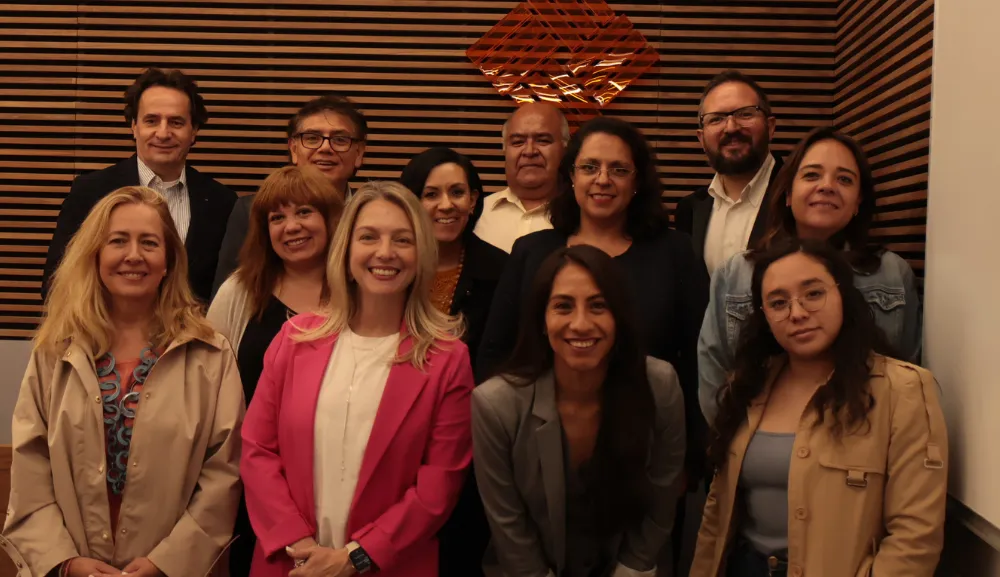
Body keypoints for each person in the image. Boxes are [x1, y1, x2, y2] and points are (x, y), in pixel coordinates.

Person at [3, 186, 244, 577]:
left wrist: (165, 563)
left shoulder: (209, 354)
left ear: (168, 260)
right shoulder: (55, 350)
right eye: (118, 241)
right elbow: (31, 463)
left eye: (149, 242)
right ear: (96, 255)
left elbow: (223, 473)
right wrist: (66, 562)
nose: (134, 255)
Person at [240, 181, 474, 577]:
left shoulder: (448, 360)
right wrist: (299, 548)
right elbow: (257, 450)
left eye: (402, 239)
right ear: (346, 249)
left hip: (389, 566)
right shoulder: (294, 339)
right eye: (369, 237)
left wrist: (355, 558)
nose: (385, 252)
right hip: (290, 564)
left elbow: (438, 487)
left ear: (422, 255)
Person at [690, 239, 947, 576]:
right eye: (778, 302)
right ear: (765, 316)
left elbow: (915, 538)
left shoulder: (903, 389)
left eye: (813, 294)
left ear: (844, 296)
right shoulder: (749, 386)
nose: (797, 313)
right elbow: (718, 509)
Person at [473, 245, 686, 577]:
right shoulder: (494, 404)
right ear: (542, 321)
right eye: (563, 306)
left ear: (619, 317)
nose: (581, 324)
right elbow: (507, 523)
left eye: (598, 306)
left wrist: (632, 569)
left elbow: (664, 492)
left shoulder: (660, 385)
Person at [698, 127, 922, 423]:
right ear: (788, 194)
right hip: (759, 447)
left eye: (844, 179)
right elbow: (715, 371)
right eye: (812, 175)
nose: (827, 186)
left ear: (858, 202)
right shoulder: (738, 273)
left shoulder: (892, 273)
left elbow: (908, 370)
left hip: (865, 449)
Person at [207, 164, 345, 577]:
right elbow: (207, 383)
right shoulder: (240, 291)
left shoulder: (359, 291)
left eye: (304, 212)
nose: (292, 227)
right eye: (277, 218)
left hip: (337, 471)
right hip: (253, 478)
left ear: (330, 219)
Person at [399, 147, 508, 577]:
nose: (446, 205)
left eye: (457, 192)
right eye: (431, 194)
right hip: (392, 438)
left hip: (470, 448)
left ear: (474, 200)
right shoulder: (388, 267)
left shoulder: (502, 271)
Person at [42, 67, 237, 302]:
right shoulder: (91, 192)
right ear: (134, 127)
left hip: (189, 336)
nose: (163, 133)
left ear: (193, 131)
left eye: (176, 122)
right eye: (151, 120)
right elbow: (58, 282)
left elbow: (227, 295)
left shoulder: (222, 203)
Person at [214, 93, 367, 293]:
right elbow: (229, 292)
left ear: (359, 153)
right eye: (312, 138)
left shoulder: (369, 215)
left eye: (340, 139)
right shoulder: (251, 211)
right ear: (293, 149)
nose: (325, 147)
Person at [674, 71, 782, 273]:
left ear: (770, 126)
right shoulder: (689, 211)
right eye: (716, 119)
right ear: (701, 138)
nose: (731, 127)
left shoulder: (799, 195)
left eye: (745, 114)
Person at [473, 102, 568, 253]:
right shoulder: (475, 214)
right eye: (518, 142)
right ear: (504, 150)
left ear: (565, 148)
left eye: (542, 140)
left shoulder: (583, 217)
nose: (529, 151)